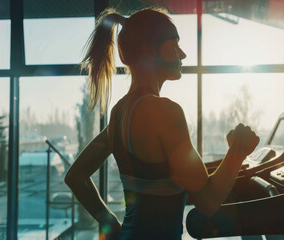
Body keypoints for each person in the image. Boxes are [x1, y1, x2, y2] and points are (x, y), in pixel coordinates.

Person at [64, 7, 260, 240]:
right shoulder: (165, 111)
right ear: (149, 49)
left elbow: (75, 177)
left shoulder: (119, 114)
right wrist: (238, 152)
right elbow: (208, 202)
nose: (183, 54)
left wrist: (114, 227)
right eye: (174, 44)